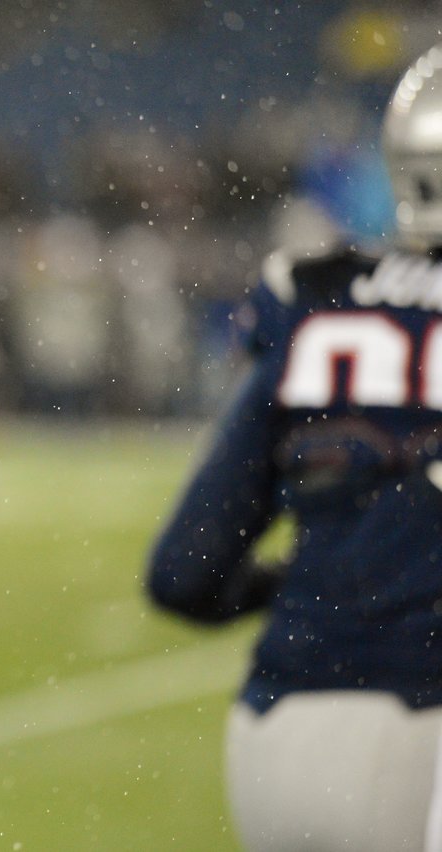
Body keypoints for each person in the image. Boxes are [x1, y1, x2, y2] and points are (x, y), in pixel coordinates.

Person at [147, 45, 442, 852]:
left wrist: (297, 583)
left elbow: (183, 573)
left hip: (284, 728)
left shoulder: (318, 299)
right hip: (422, 729)